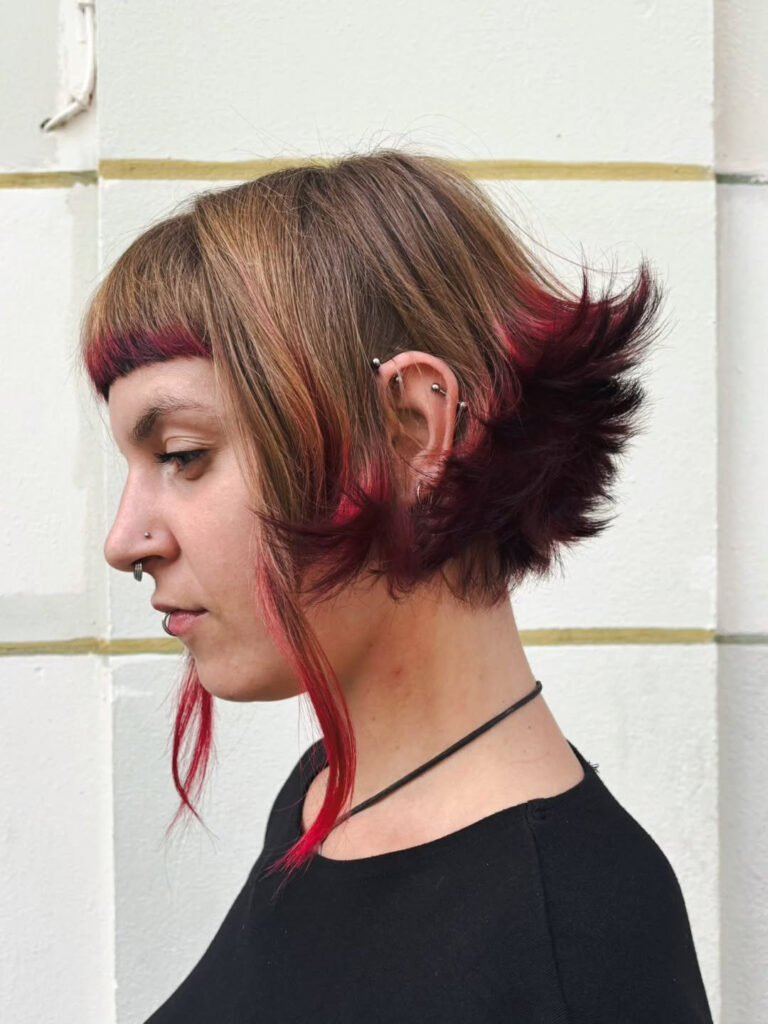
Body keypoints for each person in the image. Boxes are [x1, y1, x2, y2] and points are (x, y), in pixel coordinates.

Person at [80, 149, 714, 1022]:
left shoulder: (574, 942)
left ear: (414, 430)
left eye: (184, 455)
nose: (125, 541)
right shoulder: (330, 798)